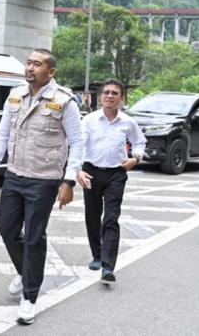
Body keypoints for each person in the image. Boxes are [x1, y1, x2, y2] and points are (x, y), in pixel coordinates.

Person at [0, 49, 83, 325]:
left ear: (50, 72)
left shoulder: (65, 101)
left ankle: (29, 297)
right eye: (28, 63)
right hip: (15, 175)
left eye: (37, 64)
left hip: (45, 179)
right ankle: (25, 270)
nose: (30, 68)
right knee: (7, 230)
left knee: (34, 237)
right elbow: (3, 133)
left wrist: (69, 180)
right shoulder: (15, 95)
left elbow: (77, 142)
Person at [76, 79, 146, 284]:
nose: (110, 96)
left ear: (121, 98)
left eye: (115, 93)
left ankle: (108, 265)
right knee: (92, 215)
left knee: (111, 217)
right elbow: (79, 145)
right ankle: (97, 256)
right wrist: (78, 170)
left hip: (116, 173)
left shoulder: (128, 122)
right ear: (100, 97)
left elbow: (140, 141)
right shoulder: (88, 120)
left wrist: (136, 158)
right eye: (106, 92)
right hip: (90, 172)